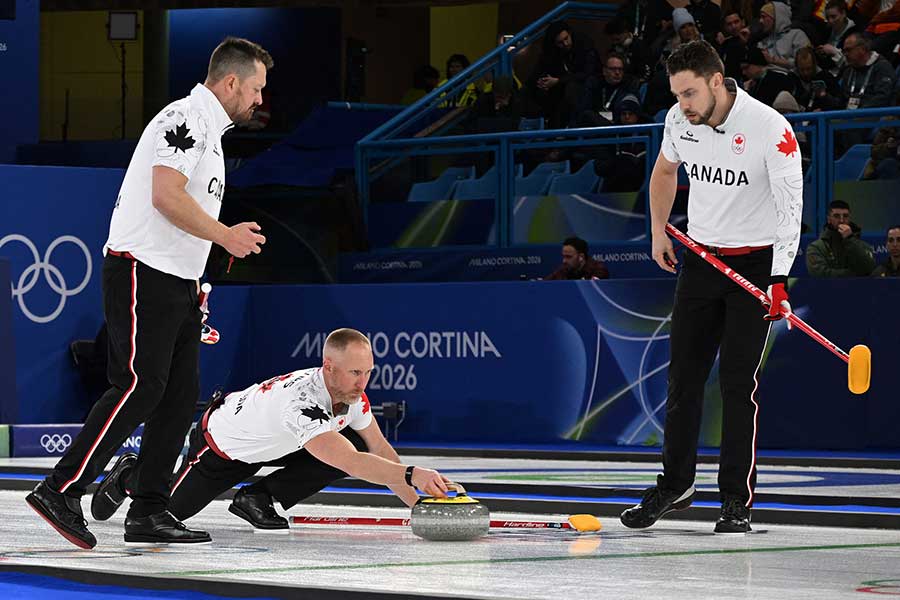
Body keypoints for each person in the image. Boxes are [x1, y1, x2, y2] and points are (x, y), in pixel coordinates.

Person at [26, 37, 272, 550]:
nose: (259, 100)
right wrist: (224, 235)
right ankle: (61, 489)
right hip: (143, 271)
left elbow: (180, 206)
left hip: (177, 281)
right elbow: (165, 195)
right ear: (231, 82)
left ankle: (149, 509)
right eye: (256, 89)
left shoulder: (210, 132)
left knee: (178, 398)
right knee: (139, 385)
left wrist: (201, 272)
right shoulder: (185, 119)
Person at [620, 41, 803, 534]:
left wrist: (779, 279)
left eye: (690, 93)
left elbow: (791, 210)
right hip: (701, 261)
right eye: (677, 95)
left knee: (737, 386)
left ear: (717, 81)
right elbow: (664, 171)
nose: (682, 105)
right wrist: (658, 230)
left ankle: (735, 501)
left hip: (756, 266)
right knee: (683, 380)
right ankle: (675, 485)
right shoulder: (679, 120)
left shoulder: (770, 128)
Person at [93, 329, 451, 528]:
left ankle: (258, 497)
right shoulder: (301, 403)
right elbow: (352, 463)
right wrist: (413, 474)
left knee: (355, 441)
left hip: (274, 445)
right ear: (328, 367)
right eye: (356, 373)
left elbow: (380, 450)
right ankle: (128, 476)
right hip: (221, 447)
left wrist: (421, 507)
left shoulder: (353, 396)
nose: (363, 382)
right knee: (166, 510)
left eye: (368, 372)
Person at [526, 20, 599, 127]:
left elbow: (587, 73)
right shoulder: (552, 52)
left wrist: (558, 81)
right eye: (560, 42)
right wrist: (542, 81)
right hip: (562, 87)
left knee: (571, 88)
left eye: (566, 38)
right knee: (532, 91)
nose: (565, 43)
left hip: (584, 85)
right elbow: (541, 69)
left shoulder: (585, 45)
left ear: (570, 33)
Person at [806, 200, 876, 277]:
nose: (841, 220)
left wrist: (850, 239)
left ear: (849, 218)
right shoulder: (816, 247)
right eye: (836, 216)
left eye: (845, 216)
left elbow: (870, 268)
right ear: (829, 219)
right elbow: (819, 274)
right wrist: (854, 274)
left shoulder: (860, 245)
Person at [757, 2, 812, 72]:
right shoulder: (763, 41)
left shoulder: (797, 35)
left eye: (763, 17)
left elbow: (804, 63)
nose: (760, 21)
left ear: (777, 17)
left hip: (791, 76)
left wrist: (773, 60)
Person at [545, 237, 610, 280]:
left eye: (568, 257)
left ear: (581, 257)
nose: (564, 261)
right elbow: (545, 284)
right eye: (563, 256)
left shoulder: (598, 270)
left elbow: (593, 290)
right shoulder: (564, 269)